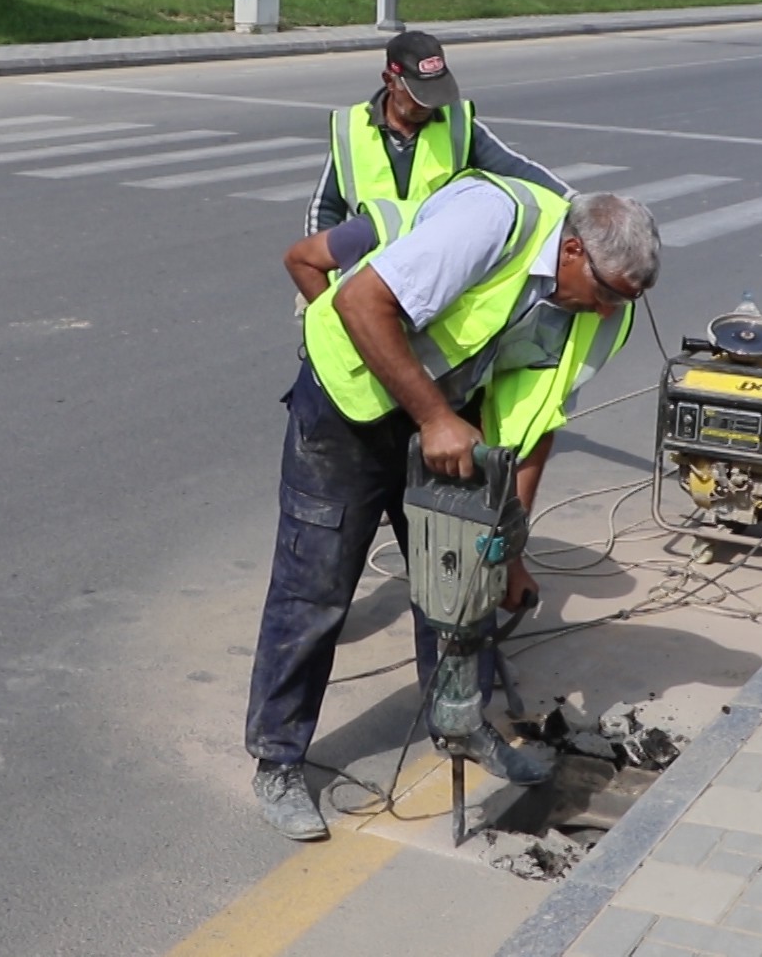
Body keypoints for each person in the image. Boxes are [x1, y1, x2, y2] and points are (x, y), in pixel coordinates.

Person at [248, 171, 662, 841]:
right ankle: (278, 760)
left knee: (466, 580)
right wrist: (436, 419)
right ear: (575, 252)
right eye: (610, 294)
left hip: (446, 423)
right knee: (314, 591)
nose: (611, 312)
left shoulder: (595, 311)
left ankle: (460, 724)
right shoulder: (490, 224)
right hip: (347, 409)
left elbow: (534, 423)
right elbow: (359, 303)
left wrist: (511, 547)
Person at [303, 30, 571, 240]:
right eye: (419, 95)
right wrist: (328, 275)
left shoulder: (458, 126)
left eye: (435, 94)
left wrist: (576, 203)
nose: (428, 105)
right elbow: (324, 208)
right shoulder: (352, 129)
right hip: (366, 272)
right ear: (389, 81)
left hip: (434, 274)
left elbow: (518, 170)